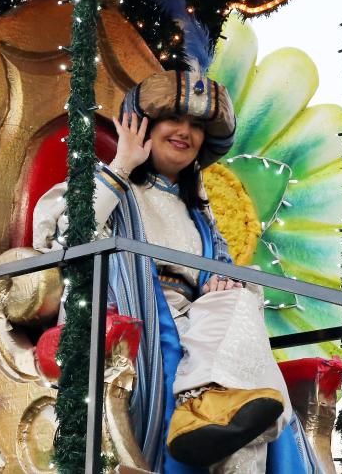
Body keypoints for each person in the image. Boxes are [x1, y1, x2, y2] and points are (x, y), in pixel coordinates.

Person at [33, 70, 321, 473]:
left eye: (197, 126)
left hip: (198, 322)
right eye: (174, 119)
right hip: (132, 309)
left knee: (245, 371)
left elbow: (223, 282)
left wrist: (222, 284)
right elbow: (67, 239)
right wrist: (121, 165)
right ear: (145, 126)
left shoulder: (201, 215)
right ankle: (202, 410)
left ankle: (208, 413)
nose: (185, 132)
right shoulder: (111, 186)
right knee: (238, 375)